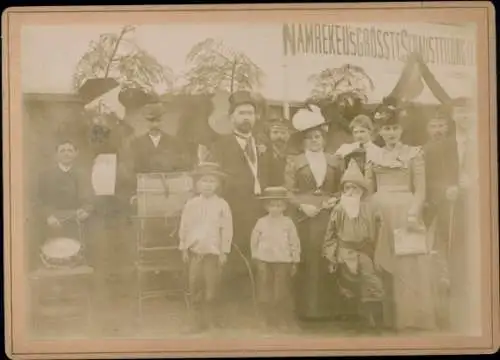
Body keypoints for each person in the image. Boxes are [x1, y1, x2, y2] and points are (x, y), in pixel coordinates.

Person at [366, 103, 437, 332]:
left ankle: (409, 318)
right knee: (378, 262)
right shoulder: (373, 153)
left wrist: (414, 212)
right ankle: (384, 318)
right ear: (379, 131)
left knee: (408, 264)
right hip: (378, 211)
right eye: (386, 129)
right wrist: (367, 208)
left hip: (405, 210)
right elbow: (368, 186)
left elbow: (421, 189)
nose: (391, 133)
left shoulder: (414, 153)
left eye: (394, 127)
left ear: (401, 129)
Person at [284, 104, 342, 322]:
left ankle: (330, 310)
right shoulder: (294, 161)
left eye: (318, 136)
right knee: (307, 260)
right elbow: (288, 191)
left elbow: (342, 187)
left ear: (324, 139)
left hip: (328, 214)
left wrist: (334, 200)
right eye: (309, 137)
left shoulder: (335, 160)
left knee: (327, 256)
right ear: (303, 141)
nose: (314, 141)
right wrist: (301, 206)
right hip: (304, 217)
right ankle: (305, 311)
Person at [208, 90, 266, 291]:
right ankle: (231, 301)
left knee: (259, 254)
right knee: (234, 255)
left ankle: (256, 300)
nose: (246, 117)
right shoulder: (220, 146)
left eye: (250, 113)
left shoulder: (262, 144)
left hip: (262, 209)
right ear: (231, 117)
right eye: (241, 113)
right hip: (234, 209)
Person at [323, 159, 385, 333]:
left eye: (355, 188)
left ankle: (372, 320)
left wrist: (376, 249)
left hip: (365, 251)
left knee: (371, 282)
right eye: (347, 188)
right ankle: (353, 321)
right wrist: (331, 255)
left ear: (363, 191)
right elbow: (330, 234)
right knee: (348, 285)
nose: (351, 192)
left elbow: (379, 230)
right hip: (344, 252)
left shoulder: (371, 208)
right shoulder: (339, 209)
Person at [178, 162, 233, 333]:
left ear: (218, 185)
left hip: (213, 254)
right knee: (195, 286)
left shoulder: (222, 205)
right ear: (197, 184)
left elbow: (227, 229)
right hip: (195, 253)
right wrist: (184, 248)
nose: (208, 185)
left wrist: (224, 251)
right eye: (204, 181)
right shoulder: (191, 204)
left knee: (212, 288)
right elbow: (184, 226)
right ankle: (195, 322)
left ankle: (211, 321)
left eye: (212, 181)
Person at [422, 107, 460, 329]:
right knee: (436, 256)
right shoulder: (425, 151)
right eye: (434, 126)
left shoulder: (457, 147)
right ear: (427, 129)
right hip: (434, 208)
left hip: (456, 207)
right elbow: (422, 182)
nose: (438, 130)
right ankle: (438, 312)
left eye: (442, 125)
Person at [251, 186, 301, 331]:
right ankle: (265, 320)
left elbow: (294, 242)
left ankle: (282, 320)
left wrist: (295, 260)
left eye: (279, 205)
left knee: (281, 291)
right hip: (264, 260)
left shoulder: (288, 223)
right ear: (266, 206)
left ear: (284, 206)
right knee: (264, 289)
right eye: (272, 205)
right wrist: (255, 256)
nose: (275, 208)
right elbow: (254, 240)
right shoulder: (261, 222)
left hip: (283, 260)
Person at [37, 139, 94, 264]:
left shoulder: (82, 174)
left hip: (77, 219)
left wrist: (86, 210)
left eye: (70, 150)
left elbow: (89, 198)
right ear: (56, 154)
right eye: (62, 151)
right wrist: (48, 216)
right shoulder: (45, 175)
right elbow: (39, 200)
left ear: (75, 154)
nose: (66, 154)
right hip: (53, 220)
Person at [259, 117, 294, 188]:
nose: (279, 136)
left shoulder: (294, 153)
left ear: (289, 135)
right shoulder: (263, 153)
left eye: (283, 133)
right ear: (269, 134)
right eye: (275, 132)